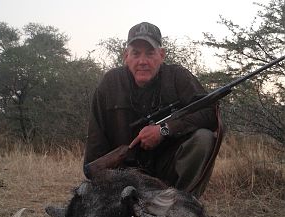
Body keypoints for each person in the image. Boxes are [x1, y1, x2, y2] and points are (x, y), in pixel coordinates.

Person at [84, 22, 223, 198]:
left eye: (150, 53)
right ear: (126, 56)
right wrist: (97, 181)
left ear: (161, 55)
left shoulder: (178, 77)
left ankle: (184, 203)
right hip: (124, 175)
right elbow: (95, 141)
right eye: (136, 53)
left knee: (203, 138)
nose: (143, 61)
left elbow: (210, 112)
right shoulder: (110, 83)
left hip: (168, 170)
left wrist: (164, 130)